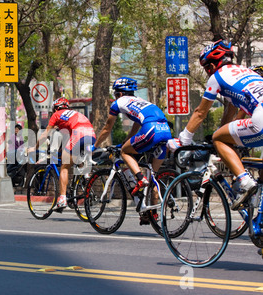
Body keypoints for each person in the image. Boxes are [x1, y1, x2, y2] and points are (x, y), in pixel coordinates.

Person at [169, 40, 263, 210]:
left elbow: (200, 113)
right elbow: (230, 111)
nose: (207, 73)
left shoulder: (217, 77)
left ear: (212, 65)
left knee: (217, 139)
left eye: (206, 68)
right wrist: (225, 133)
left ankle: (246, 182)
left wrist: (184, 139)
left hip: (260, 119)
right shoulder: (247, 72)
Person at [94, 77, 172, 223]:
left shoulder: (119, 103)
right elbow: (136, 126)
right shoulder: (141, 102)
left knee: (124, 152)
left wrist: (95, 146)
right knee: (153, 176)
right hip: (165, 130)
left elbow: (107, 128)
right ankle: (152, 213)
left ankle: (140, 179)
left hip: (151, 129)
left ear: (121, 94)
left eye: (116, 94)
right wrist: (126, 141)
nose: (115, 98)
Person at [29, 97, 96, 210]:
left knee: (64, 167)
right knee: (74, 157)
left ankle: (62, 199)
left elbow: (45, 134)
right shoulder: (73, 113)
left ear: (56, 109)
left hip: (78, 134)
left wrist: (34, 148)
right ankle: (85, 176)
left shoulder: (57, 114)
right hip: (91, 135)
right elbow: (68, 137)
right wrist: (62, 150)